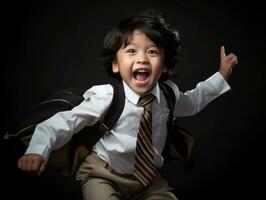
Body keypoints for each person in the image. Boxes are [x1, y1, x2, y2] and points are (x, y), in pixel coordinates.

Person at [17, 10, 238, 200]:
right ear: (115, 64)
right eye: (131, 51)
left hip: (149, 178)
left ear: (165, 66)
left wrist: (221, 76)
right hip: (103, 174)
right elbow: (63, 123)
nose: (142, 58)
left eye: (152, 51)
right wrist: (37, 151)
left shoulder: (168, 94)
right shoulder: (107, 96)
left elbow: (194, 101)